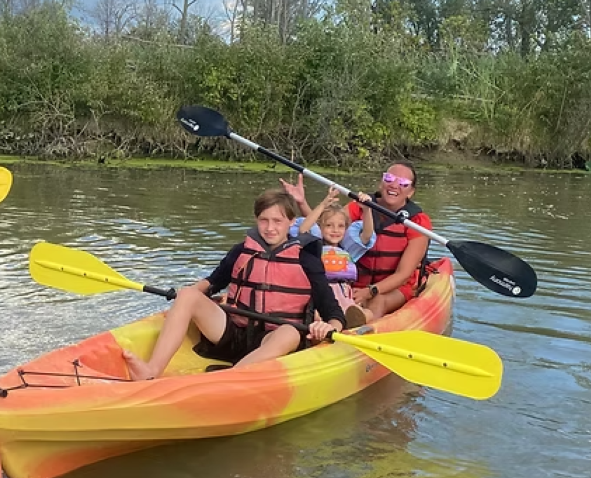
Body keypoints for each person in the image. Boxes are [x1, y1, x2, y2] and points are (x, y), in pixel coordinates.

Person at [123, 188, 346, 381]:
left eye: (277, 221)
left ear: (290, 222)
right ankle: (150, 370)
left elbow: (333, 312)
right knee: (189, 295)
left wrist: (329, 327)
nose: (270, 228)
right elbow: (212, 282)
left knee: (289, 333)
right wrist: (185, 297)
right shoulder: (242, 251)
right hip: (234, 334)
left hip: (274, 340)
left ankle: (231, 378)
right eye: (264, 220)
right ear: (256, 219)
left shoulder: (306, 259)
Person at [347, 162, 431, 322]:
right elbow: (326, 230)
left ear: (411, 192)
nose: (394, 185)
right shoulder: (358, 207)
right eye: (389, 178)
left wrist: (369, 291)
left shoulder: (418, 222)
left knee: (378, 300)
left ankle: (364, 330)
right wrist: (302, 203)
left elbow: (403, 274)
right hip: (355, 281)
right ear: (381, 182)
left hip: (396, 287)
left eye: (403, 183)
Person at [291, 186, 375, 328]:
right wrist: (324, 204)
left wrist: (367, 209)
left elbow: (367, 234)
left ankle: (351, 319)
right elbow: (303, 229)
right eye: (329, 225)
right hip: (323, 294)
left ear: (346, 228)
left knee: (369, 313)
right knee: (318, 313)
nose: (335, 230)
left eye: (340, 226)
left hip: (343, 293)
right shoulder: (314, 247)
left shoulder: (347, 249)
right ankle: (324, 324)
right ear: (320, 228)